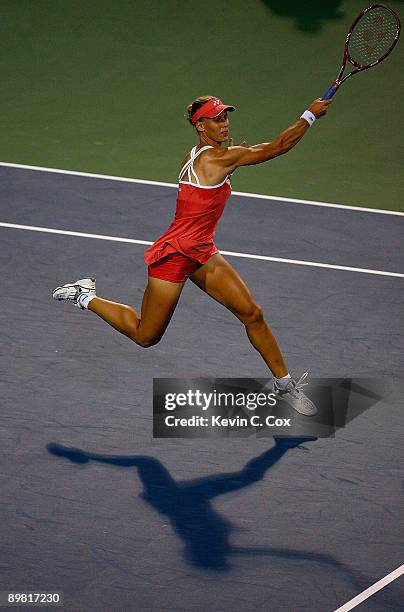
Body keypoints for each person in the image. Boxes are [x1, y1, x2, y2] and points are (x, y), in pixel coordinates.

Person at [53, 95, 332, 415]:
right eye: (217, 119)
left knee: (252, 313)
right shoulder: (215, 159)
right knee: (146, 336)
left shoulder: (205, 155)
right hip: (175, 255)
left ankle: (284, 385)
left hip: (201, 250)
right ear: (201, 126)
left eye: (226, 117)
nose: (224, 123)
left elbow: (211, 188)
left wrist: (232, 162)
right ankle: (85, 296)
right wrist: (309, 115)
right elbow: (279, 146)